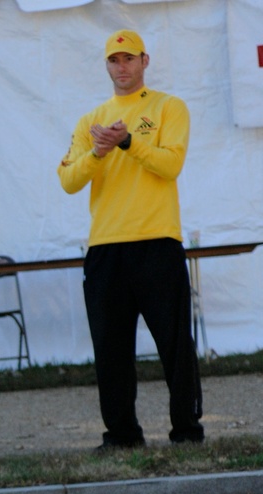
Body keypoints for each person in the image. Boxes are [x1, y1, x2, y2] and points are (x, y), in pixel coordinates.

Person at [58, 30, 203, 450]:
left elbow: (170, 164)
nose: (121, 68)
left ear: (145, 61)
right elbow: (68, 179)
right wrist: (98, 152)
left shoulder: (167, 106)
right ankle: (122, 435)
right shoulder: (92, 120)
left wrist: (127, 141)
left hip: (157, 240)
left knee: (175, 344)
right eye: (113, 61)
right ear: (106, 66)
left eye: (129, 59)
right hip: (105, 246)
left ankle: (187, 432)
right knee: (111, 348)